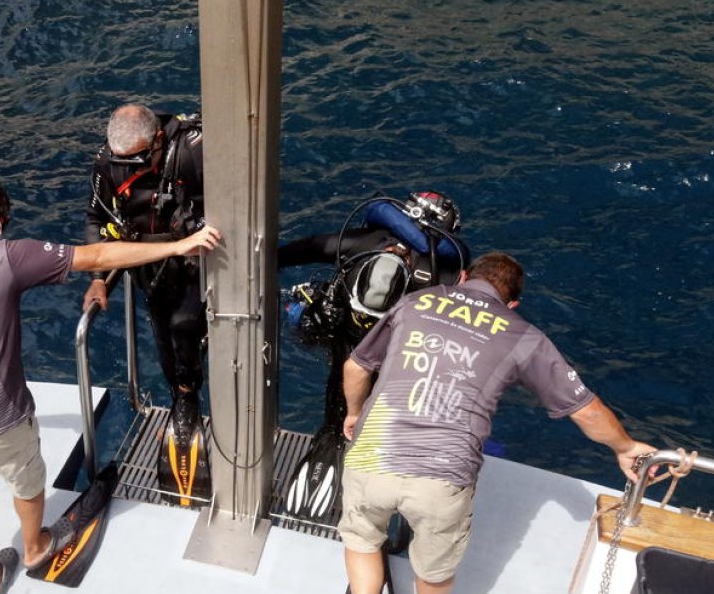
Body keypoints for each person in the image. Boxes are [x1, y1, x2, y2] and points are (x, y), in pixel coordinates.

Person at [0, 169, 221, 594]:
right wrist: (180, 244)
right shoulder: (4, 257)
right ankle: (33, 547)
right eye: (3, 222)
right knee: (27, 482)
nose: (2, 230)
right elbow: (97, 257)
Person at [338, 252, 656, 594]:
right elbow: (585, 410)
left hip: (370, 457)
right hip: (441, 479)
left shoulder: (417, 301)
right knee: (433, 575)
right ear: (513, 303)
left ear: (461, 277)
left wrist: (355, 414)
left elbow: (356, 368)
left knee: (362, 540)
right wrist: (626, 446)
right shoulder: (525, 336)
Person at [280, 192, 471, 522]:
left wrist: (268, 259)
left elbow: (307, 247)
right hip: (393, 346)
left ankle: (331, 434)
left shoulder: (364, 241)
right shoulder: (443, 270)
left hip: (345, 331)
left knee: (342, 382)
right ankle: (367, 452)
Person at [81, 103, 209, 503]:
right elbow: (93, 218)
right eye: (121, 160)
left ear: (157, 141)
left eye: (135, 160)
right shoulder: (108, 162)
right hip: (148, 267)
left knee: (186, 325)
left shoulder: (192, 150)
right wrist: (99, 278)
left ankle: (199, 395)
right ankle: (183, 399)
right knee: (165, 338)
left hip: (197, 260)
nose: (127, 168)